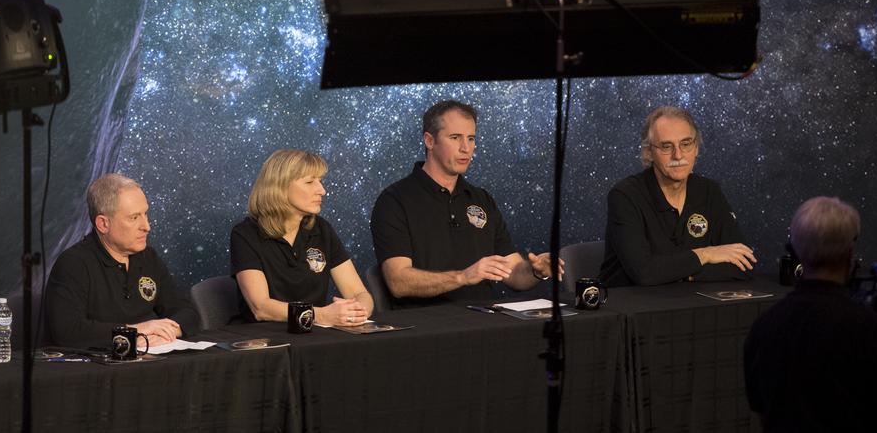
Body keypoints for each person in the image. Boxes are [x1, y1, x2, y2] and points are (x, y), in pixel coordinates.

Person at [744, 197, 877, 432]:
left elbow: (764, 414)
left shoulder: (764, 327)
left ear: (795, 251)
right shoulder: (871, 330)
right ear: (849, 253)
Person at [370, 100, 560, 307]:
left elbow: (513, 273)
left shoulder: (482, 199)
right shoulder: (394, 201)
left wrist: (536, 271)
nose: (466, 148)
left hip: (485, 322)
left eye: (471, 138)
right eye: (455, 138)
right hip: (426, 328)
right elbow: (398, 282)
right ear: (429, 141)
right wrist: (463, 277)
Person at [599, 105, 755, 286]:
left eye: (686, 144)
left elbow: (743, 263)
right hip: (631, 307)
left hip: (689, 306)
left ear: (696, 148)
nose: (678, 155)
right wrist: (706, 254)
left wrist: (684, 273)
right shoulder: (625, 196)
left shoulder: (709, 191)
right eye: (666, 146)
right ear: (649, 152)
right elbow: (644, 273)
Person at [44, 173, 199, 348]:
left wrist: (167, 333)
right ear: (103, 224)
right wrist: (134, 333)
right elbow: (68, 331)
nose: (147, 226)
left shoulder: (149, 258)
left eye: (145, 214)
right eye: (134, 218)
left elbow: (188, 313)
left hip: (149, 357)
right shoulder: (73, 264)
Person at [231, 149, 373, 326]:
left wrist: (357, 311)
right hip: (266, 342)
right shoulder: (245, 234)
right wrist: (321, 316)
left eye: (320, 181)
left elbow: (359, 293)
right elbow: (261, 308)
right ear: (279, 187)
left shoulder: (322, 229)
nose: (322, 190)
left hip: (314, 337)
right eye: (309, 182)